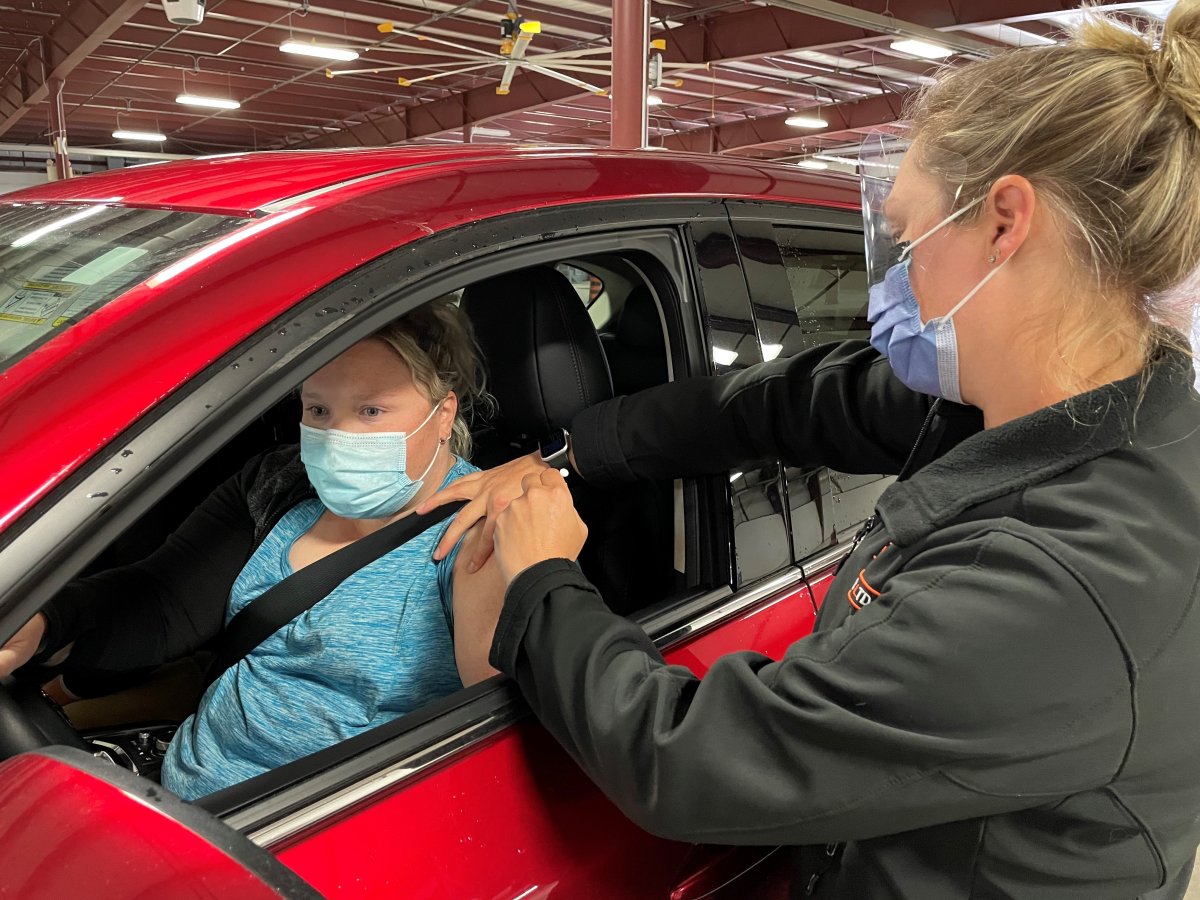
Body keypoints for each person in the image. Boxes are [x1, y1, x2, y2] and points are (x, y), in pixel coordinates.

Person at [421, 5, 1200, 898]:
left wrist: (541, 583)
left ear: (1005, 223)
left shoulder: (1076, 578)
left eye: (906, 242)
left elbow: (690, 761)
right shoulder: (1053, 400)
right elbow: (783, 402)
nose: (892, 280)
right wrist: (578, 450)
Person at [0, 298, 506, 800]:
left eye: (371, 409)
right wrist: (46, 621)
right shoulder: (279, 482)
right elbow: (164, 600)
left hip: (309, 827)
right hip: (183, 791)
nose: (337, 436)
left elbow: (494, 719)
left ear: (443, 415)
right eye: (318, 409)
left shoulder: (481, 526)